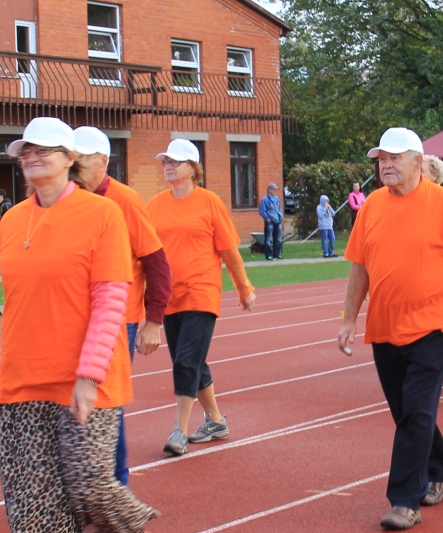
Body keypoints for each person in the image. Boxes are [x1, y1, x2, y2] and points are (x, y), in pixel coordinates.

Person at [0, 117, 159, 533]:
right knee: (33, 495)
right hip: (23, 377)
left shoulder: (102, 214)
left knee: (89, 484)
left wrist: (87, 375)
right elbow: (21, 302)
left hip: (89, 377)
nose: (32, 157)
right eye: (25, 151)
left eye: (44, 150)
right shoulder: (11, 221)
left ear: (70, 158)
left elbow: (110, 298)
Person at [338, 127, 443, 529]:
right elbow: (359, 267)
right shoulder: (371, 207)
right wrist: (349, 317)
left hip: (433, 322)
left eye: (394, 158)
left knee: (417, 410)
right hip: (385, 324)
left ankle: (405, 500)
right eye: (381, 159)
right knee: (406, 412)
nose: (385, 165)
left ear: (418, 161)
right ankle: (442, 468)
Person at [71, 126, 171, 489]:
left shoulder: (124, 200)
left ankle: (116, 488)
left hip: (118, 319)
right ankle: (87, 487)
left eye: (83, 156)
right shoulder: (67, 199)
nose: (76, 163)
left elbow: (156, 260)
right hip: (73, 318)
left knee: (105, 401)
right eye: (72, 155)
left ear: (104, 160)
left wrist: (153, 320)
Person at [148, 138, 258, 456]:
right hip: (169, 296)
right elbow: (145, 253)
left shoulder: (209, 203)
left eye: (175, 162)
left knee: (185, 361)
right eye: (165, 161)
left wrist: (244, 288)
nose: (168, 166)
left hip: (201, 292)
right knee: (192, 361)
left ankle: (179, 431)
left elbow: (228, 252)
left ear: (193, 168)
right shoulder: (154, 205)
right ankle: (216, 420)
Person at [259, 182, 284, 259]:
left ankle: (276, 254)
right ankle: (268, 255)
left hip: (277, 221)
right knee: (268, 239)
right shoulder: (265, 200)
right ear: (269, 190)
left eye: (275, 189)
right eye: (273, 189)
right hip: (270, 222)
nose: (275, 191)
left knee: (278, 238)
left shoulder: (277, 199)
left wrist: (280, 217)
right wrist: (267, 219)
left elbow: (279, 208)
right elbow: (262, 211)